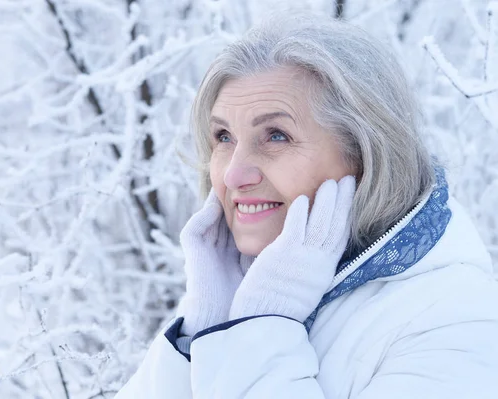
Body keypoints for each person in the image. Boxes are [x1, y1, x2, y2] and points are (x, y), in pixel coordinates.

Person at [115, 14, 498, 399]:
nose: (233, 175)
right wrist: (205, 327)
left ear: (363, 155)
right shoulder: (235, 290)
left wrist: (259, 326)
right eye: (224, 137)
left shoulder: (459, 320)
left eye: (276, 135)